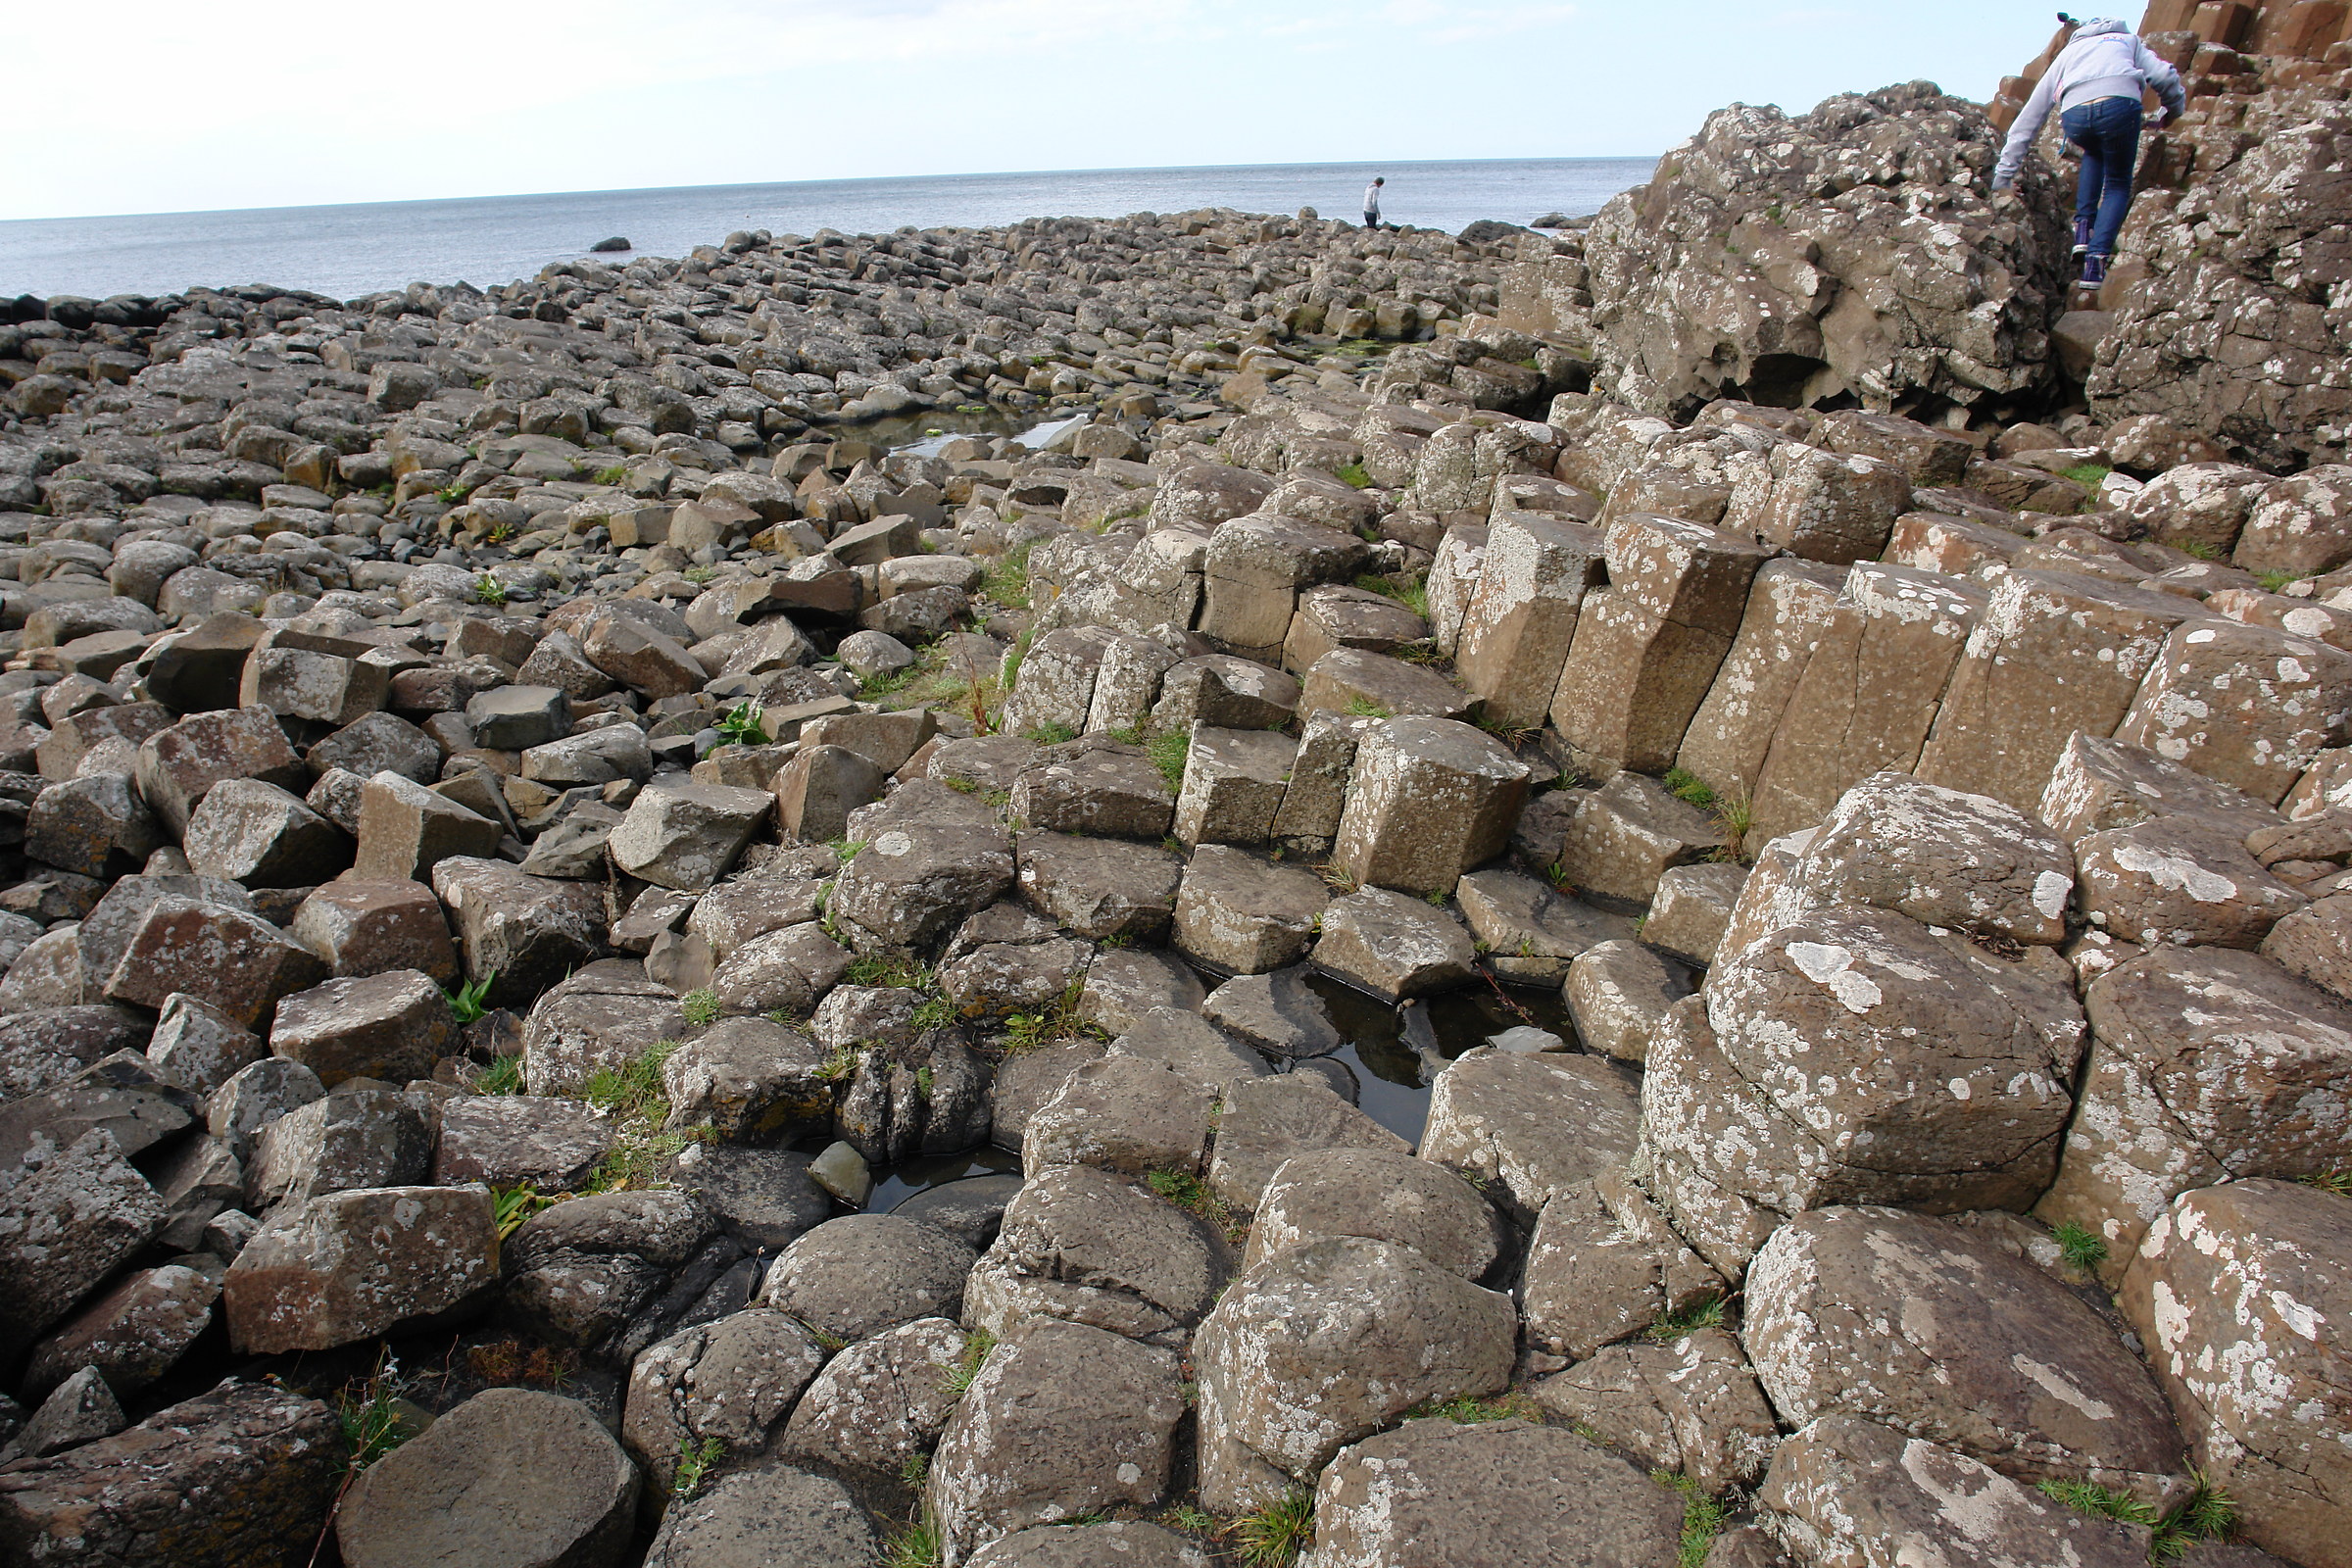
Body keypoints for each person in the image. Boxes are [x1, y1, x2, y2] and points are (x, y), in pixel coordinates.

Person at [1991, 15, 2185, 287]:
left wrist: (2003, 178)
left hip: (2077, 116)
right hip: (2120, 106)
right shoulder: (2128, 40)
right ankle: (2095, 264)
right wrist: (2172, 110)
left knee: (2094, 151)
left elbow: (2030, 118)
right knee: (2117, 184)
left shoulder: (2068, 53)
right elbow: (2164, 75)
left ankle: (2083, 232)